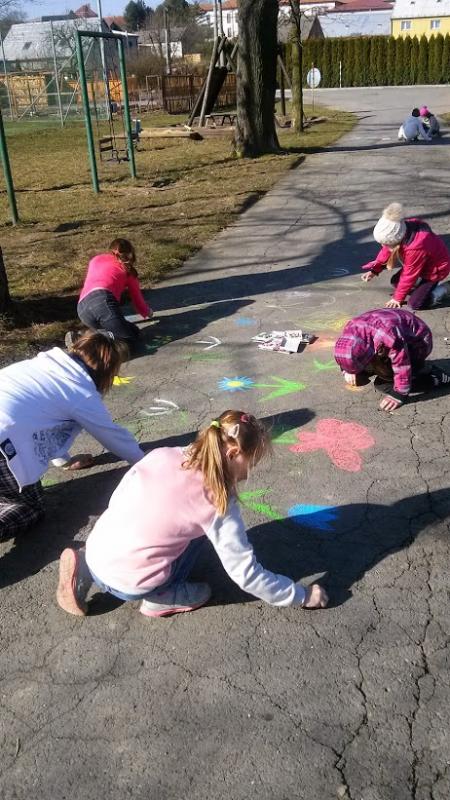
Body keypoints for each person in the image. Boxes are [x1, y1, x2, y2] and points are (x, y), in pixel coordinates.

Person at [56, 411, 329, 617]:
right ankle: (161, 597)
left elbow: (117, 500)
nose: (249, 473)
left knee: (156, 520)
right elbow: (246, 574)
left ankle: (84, 568)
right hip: (131, 584)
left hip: (97, 549)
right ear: (233, 453)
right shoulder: (218, 501)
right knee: (200, 539)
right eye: (251, 462)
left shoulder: (162, 454)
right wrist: (301, 595)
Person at [0, 332, 144, 540]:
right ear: (107, 371)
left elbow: (42, 422)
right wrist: (147, 463)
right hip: (3, 445)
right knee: (28, 508)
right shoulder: (80, 392)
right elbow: (112, 435)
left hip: (5, 434)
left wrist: (64, 461)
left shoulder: (43, 366)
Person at [334, 309, 450, 413]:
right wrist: (348, 371)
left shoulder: (388, 337)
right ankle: (415, 369)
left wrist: (399, 394)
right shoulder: (350, 333)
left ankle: (434, 376)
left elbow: (401, 364)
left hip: (419, 344)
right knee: (359, 375)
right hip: (394, 334)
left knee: (384, 385)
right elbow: (345, 354)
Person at [361, 203, 450, 310]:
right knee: (396, 282)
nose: (383, 246)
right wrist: (374, 270)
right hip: (421, 265)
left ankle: (445, 289)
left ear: (396, 241)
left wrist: (397, 298)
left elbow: (409, 274)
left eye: (385, 244)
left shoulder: (415, 248)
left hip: (434, 270)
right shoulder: (400, 230)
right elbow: (386, 252)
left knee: (415, 304)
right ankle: (420, 289)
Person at [68, 238, 152, 349]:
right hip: (103, 302)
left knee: (132, 330)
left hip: (82, 308)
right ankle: (82, 340)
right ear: (131, 254)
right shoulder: (128, 271)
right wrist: (148, 312)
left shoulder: (96, 259)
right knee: (128, 342)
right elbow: (137, 301)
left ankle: (91, 337)